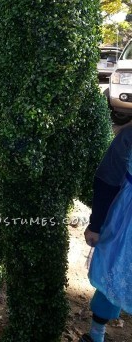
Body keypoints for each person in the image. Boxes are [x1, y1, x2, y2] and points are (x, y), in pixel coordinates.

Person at [80, 125, 132, 342]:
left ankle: (96, 334)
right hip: (126, 220)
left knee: (116, 269)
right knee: (115, 269)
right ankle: (96, 334)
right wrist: (96, 224)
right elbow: (107, 179)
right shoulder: (130, 135)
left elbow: (107, 180)